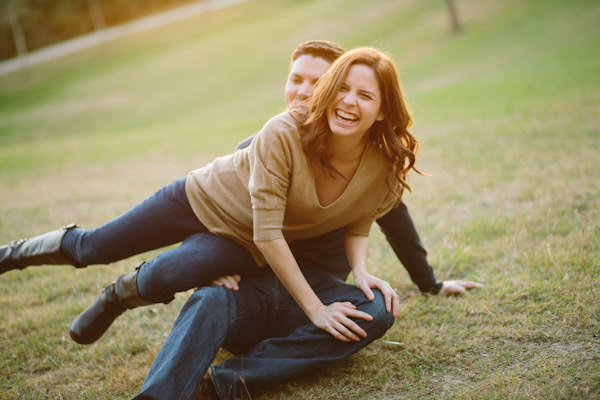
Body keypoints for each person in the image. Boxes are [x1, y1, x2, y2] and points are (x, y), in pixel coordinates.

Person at [0, 41, 480, 347]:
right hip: (195, 200)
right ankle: (12, 253)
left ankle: (119, 295)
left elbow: (386, 213)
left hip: (242, 241)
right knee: (94, 246)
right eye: (297, 80)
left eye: (319, 82)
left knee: (180, 267)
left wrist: (429, 282)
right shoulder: (274, 138)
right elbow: (250, 184)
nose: (304, 92)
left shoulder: (362, 155)